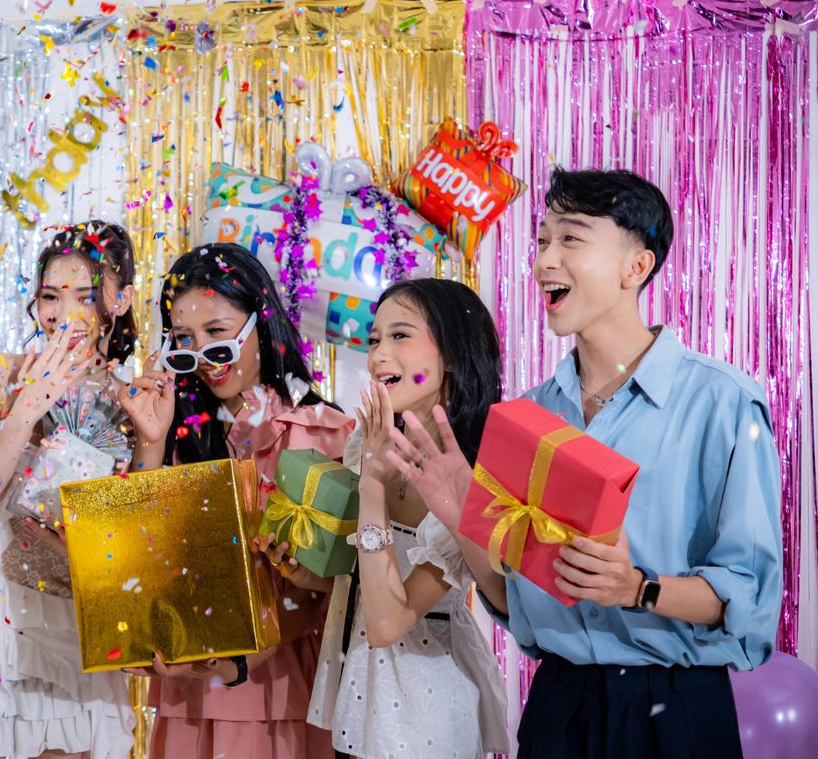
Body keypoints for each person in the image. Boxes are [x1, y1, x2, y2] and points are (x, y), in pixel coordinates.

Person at [389, 168, 783, 759]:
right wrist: (461, 516)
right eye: (542, 240)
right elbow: (514, 606)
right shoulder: (525, 416)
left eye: (570, 239)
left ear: (636, 267)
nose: (546, 259)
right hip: (559, 706)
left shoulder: (721, 402)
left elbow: (748, 600)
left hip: (676, 710)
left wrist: (638, 589)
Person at [0, 221, 138, 759]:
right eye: (51, 297)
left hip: (74, 625)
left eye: (86, 295)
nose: (65, 313)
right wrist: (26, 410)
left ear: (121, 300)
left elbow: (135, 544)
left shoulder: (137, 399)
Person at [119, 243, 354, 759]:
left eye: (218, 335)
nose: (203, 357)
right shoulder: (174, 429)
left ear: (259, 325)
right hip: (191, 684)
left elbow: (334, 588)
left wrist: (239, 663)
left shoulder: (323, 433)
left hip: (283, 687)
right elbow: (132, 559)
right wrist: (151, 443)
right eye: (184, 340)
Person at [257, 278, 509, 759]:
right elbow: (366, 586)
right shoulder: (367, 442)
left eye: (400, 335)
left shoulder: (472, 478)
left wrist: (372, 485)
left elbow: (390, 621)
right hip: (361, 685)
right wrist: (310, 575)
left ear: (452, 355)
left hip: (426, 700)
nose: (377, 355)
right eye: (374, 339)